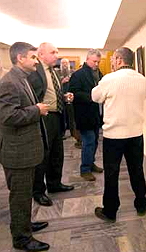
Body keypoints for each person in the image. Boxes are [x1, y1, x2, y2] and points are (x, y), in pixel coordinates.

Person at [0, 42, 50, 251]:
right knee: (19, 196)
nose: (36, 61)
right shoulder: (9, 82)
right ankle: (21, 238)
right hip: (17, 152)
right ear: (20, 58)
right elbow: (8, 116)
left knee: (25, 193)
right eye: (33, 57)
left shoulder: (22, 79)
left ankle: (25, 225)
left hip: (26, 150)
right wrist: (36, 110)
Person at [91, 47, 146, 222]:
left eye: (113, 60)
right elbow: (143, 96)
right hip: (136, 133)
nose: (112, 63)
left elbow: (95, 96)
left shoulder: (109, 79)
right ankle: (141, 203)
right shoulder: (142, 79)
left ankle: (110, 211)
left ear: (118, 59)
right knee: (136, 170)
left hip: (114, 136)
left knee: (111, 174)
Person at [28, 42, 74, 207]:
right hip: (43, 118)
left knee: (57, 152)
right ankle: (38, 191)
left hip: (57, 116)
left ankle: (55, 184)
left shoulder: (54, 72)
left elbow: (53, 92)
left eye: (57, 52)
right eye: (53, 52)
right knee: (43, 156)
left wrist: (64, 96)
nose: (56, 55)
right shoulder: (35, 72)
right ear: (41, 55)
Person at [69, 49, 104, 181]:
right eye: (94, 61)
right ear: (88, 59)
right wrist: (92, 97)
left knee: (94, 141)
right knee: (88, 142)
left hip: (95, 114)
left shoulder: (98, 73)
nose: (97, 64)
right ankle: (85, 169)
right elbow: (74, 93)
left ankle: (91, 163)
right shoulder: (78, 75)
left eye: (98, 62)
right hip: (84, 114)